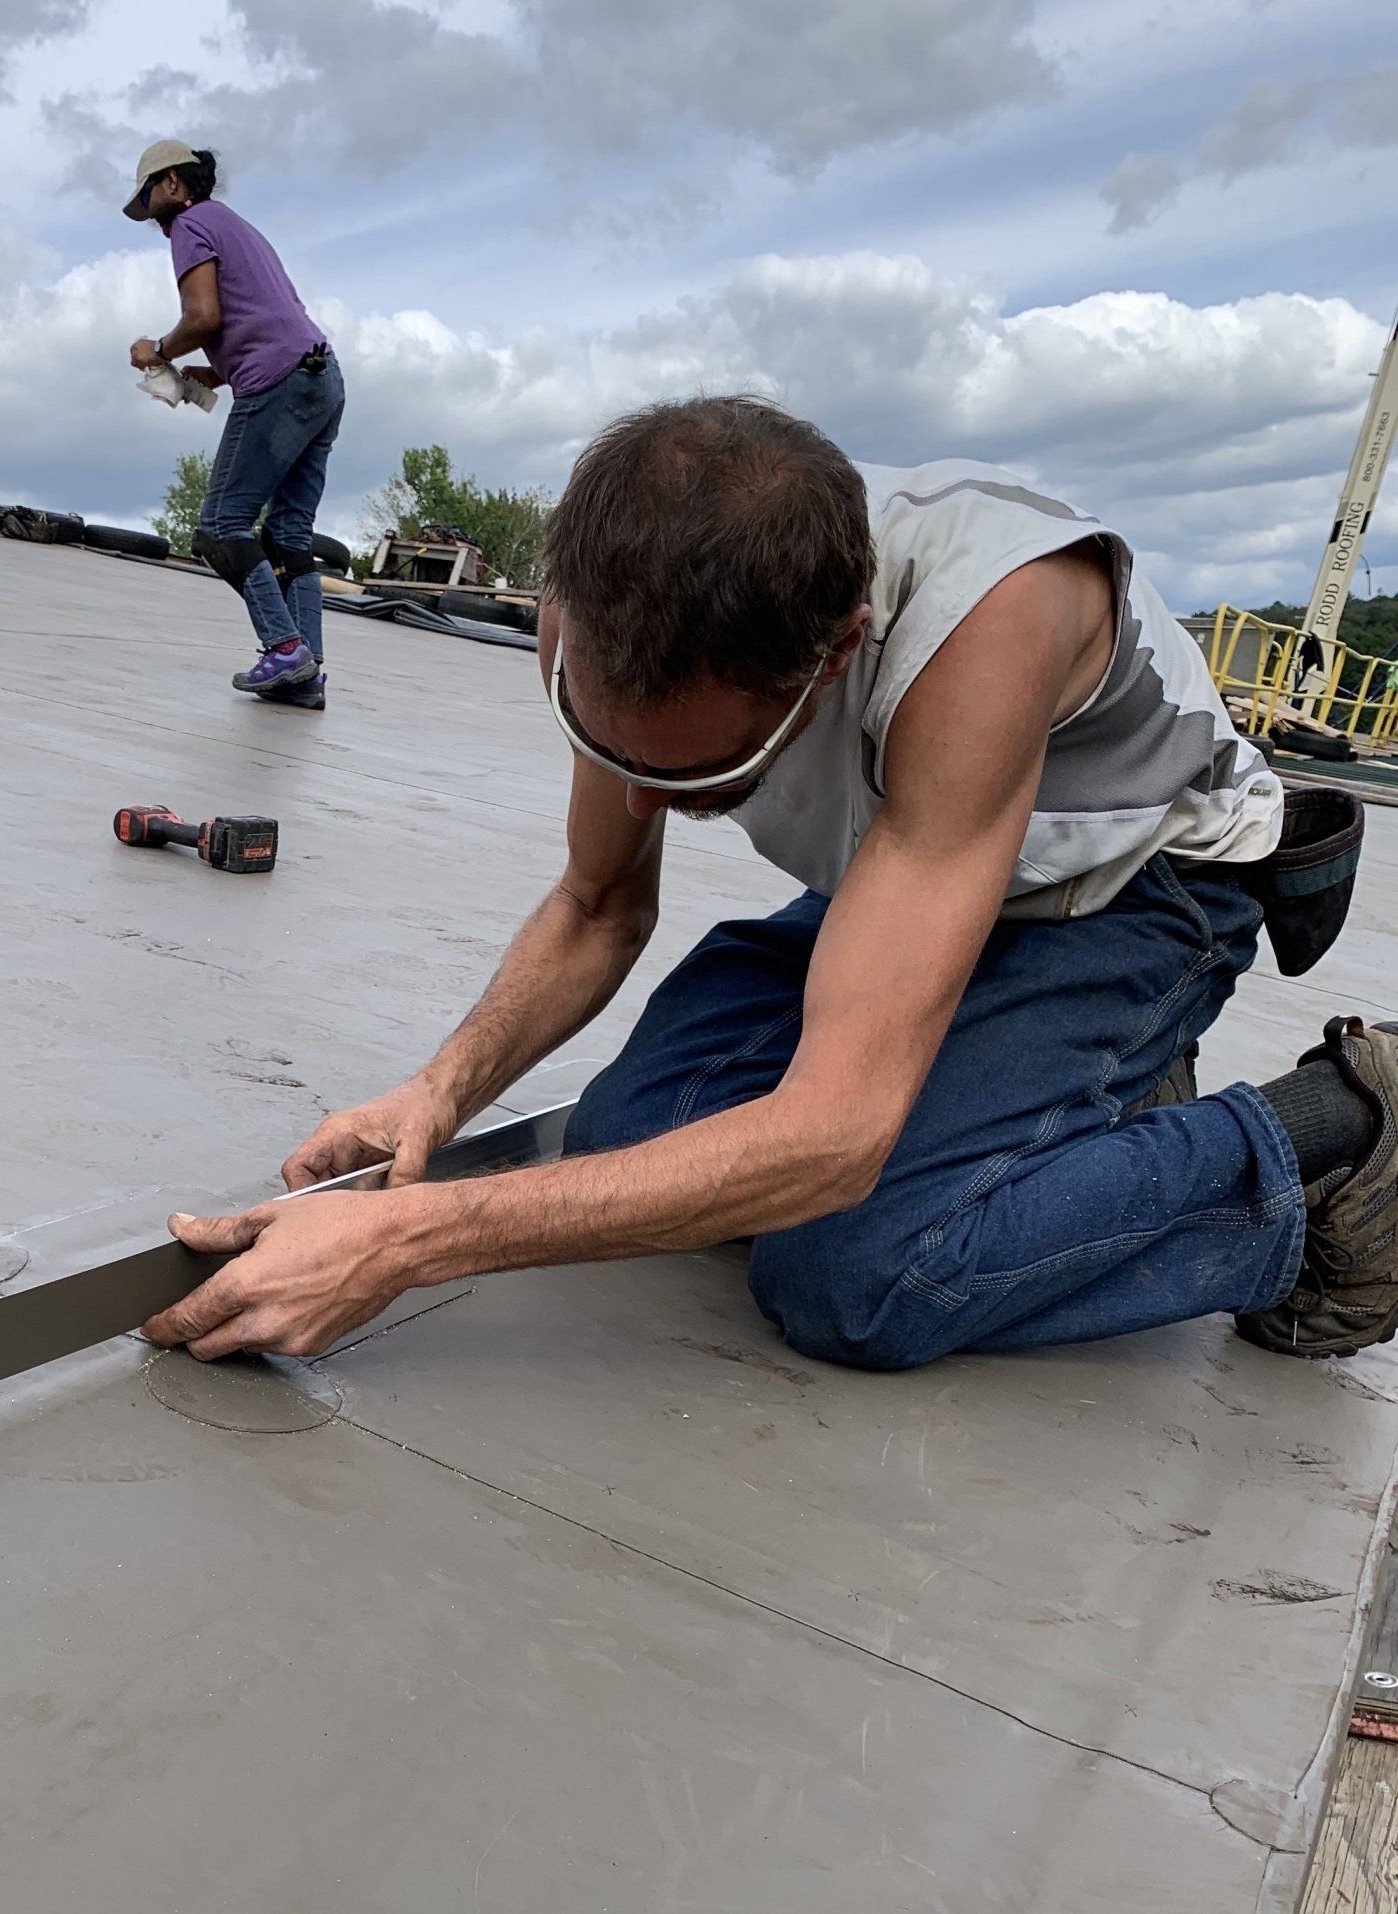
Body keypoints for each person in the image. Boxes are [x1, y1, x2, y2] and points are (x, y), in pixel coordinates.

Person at [143, 396, 1394, 1369]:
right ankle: (1061, 1113)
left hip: (1131, 890)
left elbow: (836, 1141)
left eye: (698, 772)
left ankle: (1336, 1132)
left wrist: (410, 1240)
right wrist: (439, 1091)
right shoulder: (599, 607)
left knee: (865, 1276)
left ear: (838, 652)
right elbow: (597, 901)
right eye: (613, 754)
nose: (637, 805)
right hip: (911, 873)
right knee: (630, 1138)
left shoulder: (991, 622)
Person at [125, 139, 344, 710]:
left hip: (277, 383)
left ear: (173, 182)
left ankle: (285, 648)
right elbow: (269, 314)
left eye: (149, 200)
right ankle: (307, 674)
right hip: (321, 377)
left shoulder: (190, 224)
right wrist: (214, 373)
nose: (153, 220)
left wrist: (156, 351)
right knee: (289, 533)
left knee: (221, 526)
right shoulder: (239, 227)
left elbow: (203, 317)